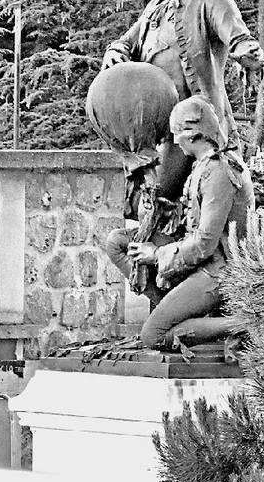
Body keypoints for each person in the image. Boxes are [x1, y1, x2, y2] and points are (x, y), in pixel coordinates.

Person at [102, 0, 264, 198]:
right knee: (147, 198)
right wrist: (115, 51)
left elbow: (238, 37)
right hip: (156, 125)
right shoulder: (160, 2)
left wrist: (248, 55)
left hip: (194, 123)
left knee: (161, 195)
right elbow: (127, 40)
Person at [106, 95, 253, 352]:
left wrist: (157, 254)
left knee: (153, 336)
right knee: (118, 242)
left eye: (177, 134)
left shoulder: (219, 171)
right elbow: (193, 223)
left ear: (193, 134)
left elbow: (204, 245)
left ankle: (244, 324)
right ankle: (172, 310)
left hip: (219, 270)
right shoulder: (205, 165)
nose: (175, 142)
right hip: (203, 259)